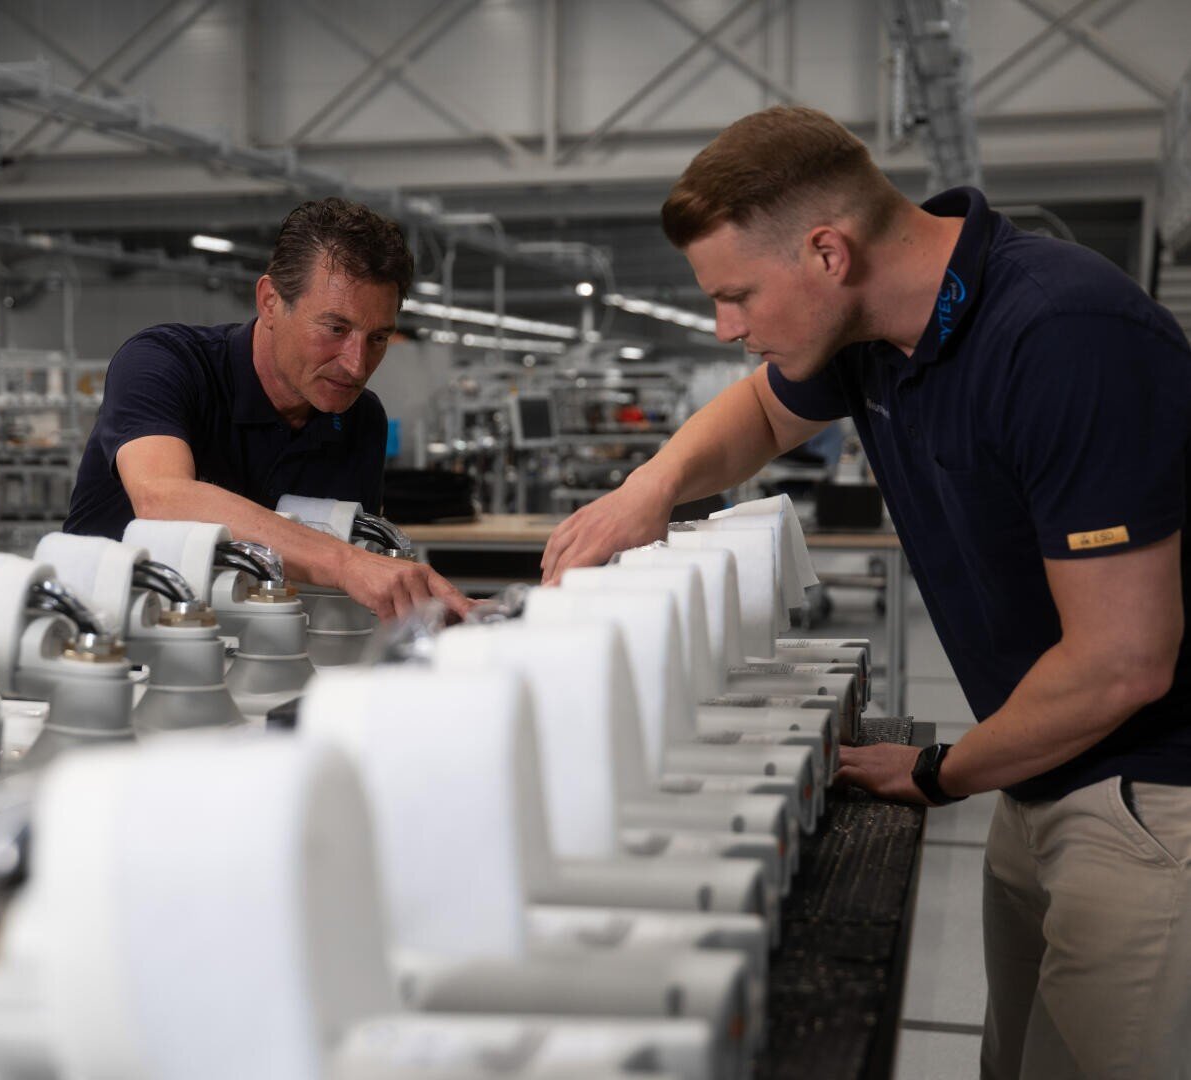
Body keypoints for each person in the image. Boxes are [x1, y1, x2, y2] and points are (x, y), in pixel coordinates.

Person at [542, 105, 1191, 1079]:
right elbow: (761, 409)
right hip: (1040, 771)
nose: (726, 328)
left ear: (827, 252)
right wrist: (651, 489)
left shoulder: (1064, 337)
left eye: (736, 296)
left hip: (1147, 798)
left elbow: (1124, 662)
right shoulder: (871, 337)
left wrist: (941, 771)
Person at [64, 196, 471, 619]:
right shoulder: (164, 363)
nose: (356, 364)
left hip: (250, 651)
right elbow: (163, 498)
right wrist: (346, 562)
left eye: (378, 338)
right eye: (336, 328)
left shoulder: (361, 419)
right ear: (270, 301)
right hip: (102, 645)